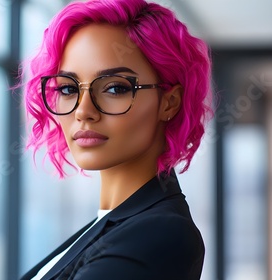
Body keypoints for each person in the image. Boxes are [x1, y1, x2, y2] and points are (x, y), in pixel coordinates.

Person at [19, 0, 212, 279]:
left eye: (114, 87)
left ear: (169, 102)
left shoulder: (159, 233)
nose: (84, 111)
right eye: (68, 88)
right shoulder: (108, 225)